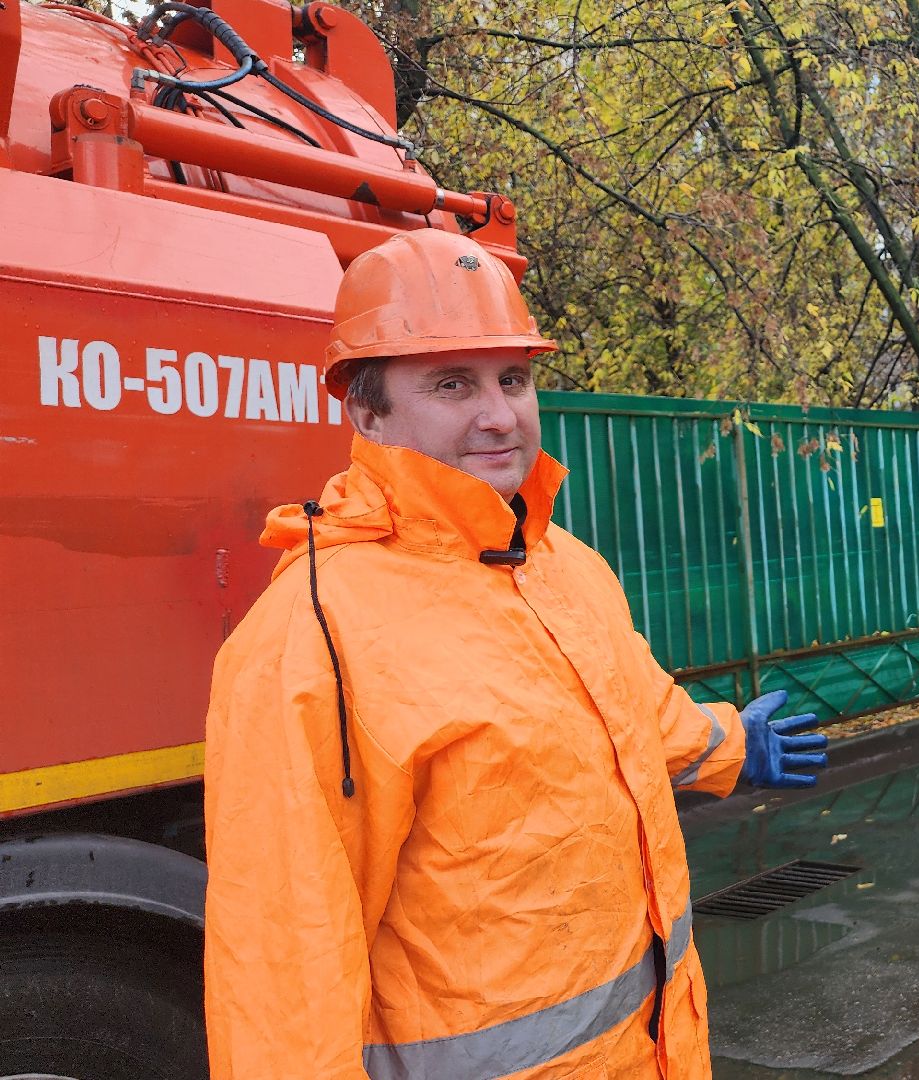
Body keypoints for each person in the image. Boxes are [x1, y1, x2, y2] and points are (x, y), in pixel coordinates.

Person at [201, 228, 826, 1079]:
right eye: (452, 383)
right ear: (364, 410)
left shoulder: (564, 568)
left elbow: (628, 717)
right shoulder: (312, 639)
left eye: (515, 378)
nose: (499, 414)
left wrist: (732, 745)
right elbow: (282, 975)